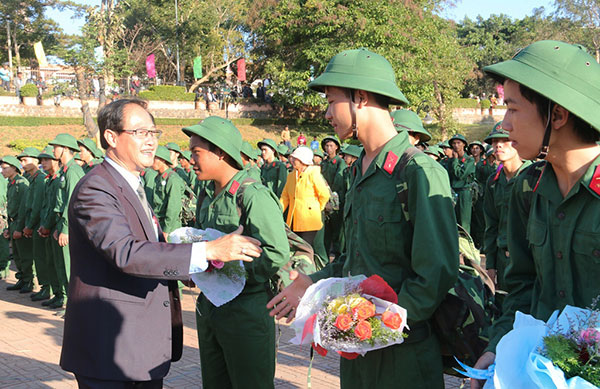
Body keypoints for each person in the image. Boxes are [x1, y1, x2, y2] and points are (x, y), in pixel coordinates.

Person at [268, 48, 458, 389]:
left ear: (360, 97)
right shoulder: (360, 171)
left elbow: (437, 271)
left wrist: (383, 324)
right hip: (357, 349)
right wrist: (312, 282)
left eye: (331, 101)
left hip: (402, 355)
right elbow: (355, 259)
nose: (326, 113)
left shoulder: (416, 171)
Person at [60, 99, 261, 387]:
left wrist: (193, 267)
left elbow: (148, 247)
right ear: (111, 137)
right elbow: (126, 252)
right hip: (111, 349)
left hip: (138, 347)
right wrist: (208, 250)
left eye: (153, 133)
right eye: (140, 133)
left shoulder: (132, 183)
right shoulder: (96, 188)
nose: (150, 142)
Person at [471, 40, 600, 388]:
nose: (505, 125)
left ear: (557, 115)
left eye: (513, 109)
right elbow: (523, 288)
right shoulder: (528, 189)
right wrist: (498, 347)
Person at [182, 116, 289, 389]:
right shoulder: (207, 194)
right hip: (210, 309)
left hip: (246, 311)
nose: (190, 160)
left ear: (220, 152)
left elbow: (276, 253)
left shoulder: (252, 195)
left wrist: (228, 270)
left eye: (196, 153)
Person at [481, 124, 530, 308]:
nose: (498, 145)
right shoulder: (494, 182)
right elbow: (491, 225)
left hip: (529, 260)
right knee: (504, 308)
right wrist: (491, 265)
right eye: (495, 141)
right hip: (503, 260)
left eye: (504, 140)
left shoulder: (534, 176)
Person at [48, 133, 85, 309]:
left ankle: (76, 307)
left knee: (71, 269)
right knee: (61, 267)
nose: (53, 150)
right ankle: (67, 302)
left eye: (56, 146)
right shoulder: (65, 171)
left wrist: (66, 229)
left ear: (64, 149)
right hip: (60, 224)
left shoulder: (73, 171)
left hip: (69, 226)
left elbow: (73, 202)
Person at [280, 146, 330, 247]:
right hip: (293, 219)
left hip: (309, 221)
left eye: (295, 158)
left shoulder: (313, 174)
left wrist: (315, 208)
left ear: (303, 160)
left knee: (305, 249)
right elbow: (285, 197)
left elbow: (324, 194)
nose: (292, 160)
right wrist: (278, 210)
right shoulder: (291, 176)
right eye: (292, 158)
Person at [18, 147, 49, 300]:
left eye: (25, 160)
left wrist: (30, 225)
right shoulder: (33, 179)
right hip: (34, 222)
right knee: (38, 257)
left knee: (43, 258)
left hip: (39, 223)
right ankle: (45, 287)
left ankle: (48, 288)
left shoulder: (40, 179)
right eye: (21, 161)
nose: (22, 163)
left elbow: (37, 205)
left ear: (36, 161)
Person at [1, 156, 33, 292]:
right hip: (13, 223)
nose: (2, 171)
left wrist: (20, 228)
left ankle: (29, 281)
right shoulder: (11, 183)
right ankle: (22, 279)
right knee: (18, 255)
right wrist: (8, 227)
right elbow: (10, 207)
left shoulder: (22, 183)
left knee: (25, 255)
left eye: (4, 168)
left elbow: (23, 208)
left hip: (20, 223)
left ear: (14, 168)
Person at [36, 146, 61, 305]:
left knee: (60, 265)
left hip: (56, 228)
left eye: (47, 159)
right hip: (48, 227)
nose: (43, 163)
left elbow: (56, 207)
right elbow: (45, 206)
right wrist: (43, 225)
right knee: (51, 262)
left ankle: (63, 296)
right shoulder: (49, 180)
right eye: (42, 160)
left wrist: (47, 225)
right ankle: (57, 294)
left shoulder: (59, 179)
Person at [320, 135, 346, 259]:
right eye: (327, 146)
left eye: (331, 145)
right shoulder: (324, 163)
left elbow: (339, 183)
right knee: (326, 232)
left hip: (335, 200)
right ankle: (324, 257)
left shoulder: (340, 162)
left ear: (336, 147)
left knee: (337, 231)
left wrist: (332, 201)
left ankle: (338, 257)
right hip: (323, 200)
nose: (328, 148)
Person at [447, 134, 475, 233]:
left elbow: (460, 175)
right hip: (452, 191)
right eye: (454, 143)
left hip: (464, 192)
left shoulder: (469, 160)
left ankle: (465, 247)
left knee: (464, 222)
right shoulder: (450, 160)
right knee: (453, 220)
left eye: (458, 143)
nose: (456, 146)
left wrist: (455, 160)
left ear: (463, 144)